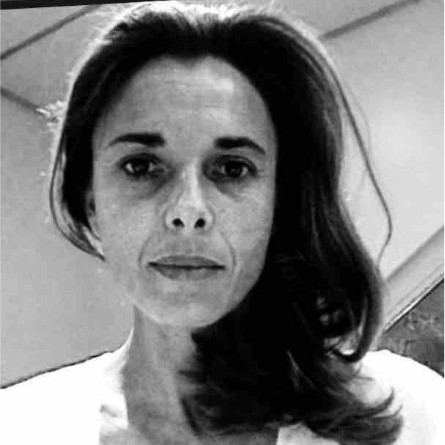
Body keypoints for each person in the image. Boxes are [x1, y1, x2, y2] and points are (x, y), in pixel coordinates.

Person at [1, 2, 443, 444]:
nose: (188, 210)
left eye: (232, 169)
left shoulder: (414, 415)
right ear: (90, 202)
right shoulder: (19, 426)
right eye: (141, 166)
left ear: (280, 202)